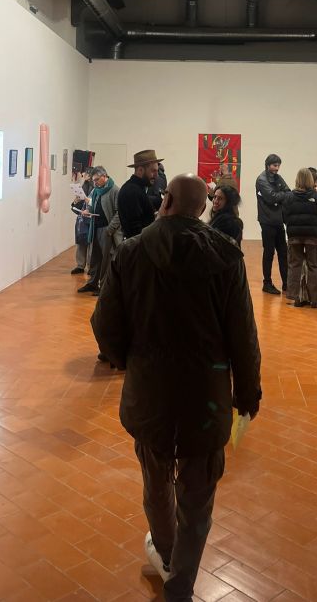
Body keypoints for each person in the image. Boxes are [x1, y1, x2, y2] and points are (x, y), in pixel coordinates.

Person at [90, 174, 261, 602]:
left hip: (150, 392)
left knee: (155, 484)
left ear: (165, 202)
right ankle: (180, 584)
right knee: (198, 498)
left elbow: (104, 323)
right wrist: (247, 393)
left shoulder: (131, 252)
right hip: (206, 398)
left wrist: (129, 360)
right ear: (202, 210)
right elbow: (243, 335)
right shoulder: (226, 256)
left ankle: (166, 556)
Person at [283, 168, 317, 308]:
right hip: (313, 236)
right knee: (314, 266)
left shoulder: (289, 197)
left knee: (295, 265)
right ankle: (315, 299)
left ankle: (296, 297)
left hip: (294, 236)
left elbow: (284, 216)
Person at [77, 167, 122, 295]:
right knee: (94, 258)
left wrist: (110, 229)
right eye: (93, 180)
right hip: (95, 227)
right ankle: (92, 283)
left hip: (106, 229)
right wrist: (87, 211)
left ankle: (104, 287)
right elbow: (93, 206)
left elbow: (119, 213)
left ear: (104, 176)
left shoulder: (115, 190)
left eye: (97, 180)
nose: (95, 183)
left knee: (106, 260)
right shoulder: (96, 190)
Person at [255, 153, 290, 295]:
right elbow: (271, 198)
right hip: (267, 221)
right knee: (269, 253)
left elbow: (288, 192)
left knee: (283, 253)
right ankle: (267, 283)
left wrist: (279, 196)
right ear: (268, 165)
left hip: (279, 220)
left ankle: (287, 283)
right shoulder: (261, 179)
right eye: (275, 165)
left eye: (278, 165)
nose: (277, 168)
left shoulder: (277, 178)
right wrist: (281, 196)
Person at [117, 149, 161, 239]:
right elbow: (135, 231)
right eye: (153, 171)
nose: (156, 175)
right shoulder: (131, 191)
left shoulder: (137, 188)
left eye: (157, 171)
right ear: (140, 170)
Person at [71, 167, 93, 275]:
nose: (83, 175)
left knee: (91, 244)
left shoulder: (95, 186)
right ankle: (80, 265)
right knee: (81, 242)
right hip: (82, 220)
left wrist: (88, 201)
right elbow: (76, 207)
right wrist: (75, 202)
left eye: (85, 173)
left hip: (91, 219)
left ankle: (90, 266)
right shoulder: (84, 186)